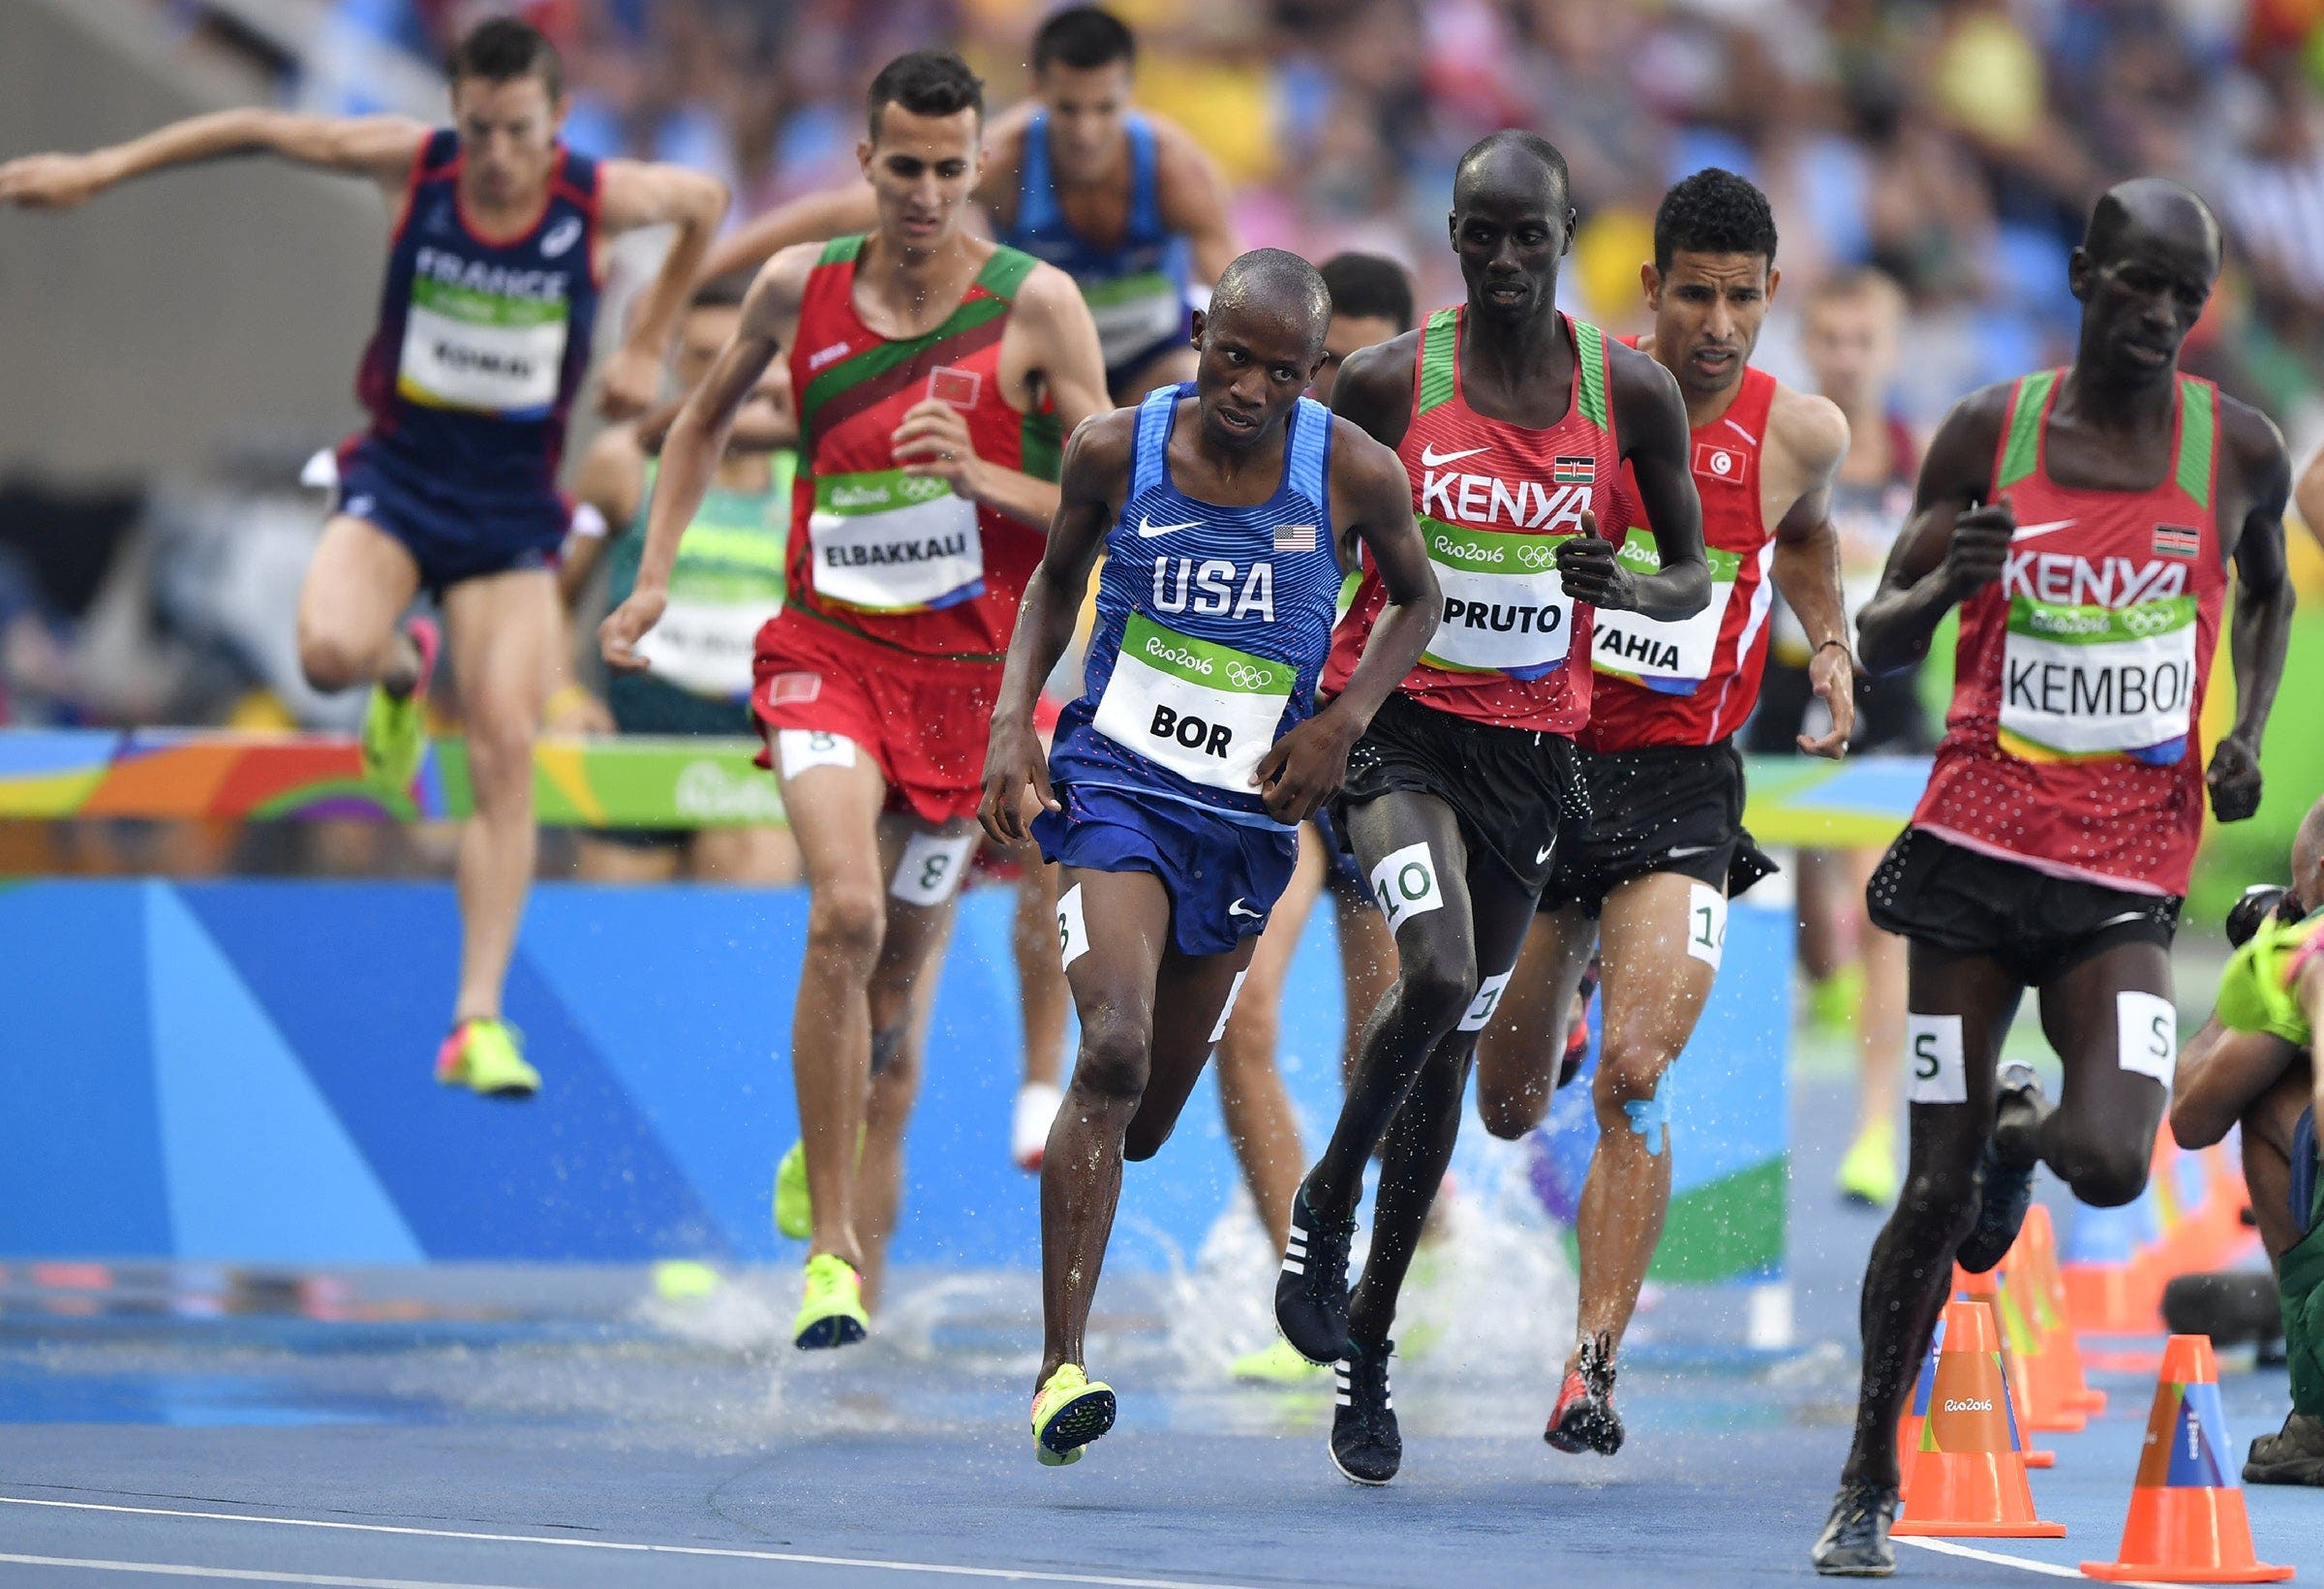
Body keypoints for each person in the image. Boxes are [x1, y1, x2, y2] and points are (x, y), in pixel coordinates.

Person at [0, 16, 728, 1096]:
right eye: (476, 130)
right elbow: (257, 125)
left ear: (558, 123)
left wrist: (644, 336)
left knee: (501, 746)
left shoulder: (595, 196)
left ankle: (476, 1017)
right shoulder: (413, 167)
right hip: (397, 482)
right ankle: (398, 671)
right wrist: (102, 167)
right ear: (454, 119)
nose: (495, 156)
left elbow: (704, 205)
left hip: (508, 518)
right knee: (328, 652)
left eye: (518, 132)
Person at [1812, 177, 2297, 1575]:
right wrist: (1941, 583)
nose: (2155, 314)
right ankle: (1864, 1480)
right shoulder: (1992, 432)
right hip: (1970, 860)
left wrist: (2246, 731)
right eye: (2133, 283)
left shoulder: (2235, 450)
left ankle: (2030, 1136)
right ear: (2082, 276)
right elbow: (1886, 636)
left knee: (2105, 1159)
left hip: (2121, 875)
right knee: (1927, 1191)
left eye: (2182, 296)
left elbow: (2262, 589)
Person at [599, 50, 1109, 1351]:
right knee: (842, 906)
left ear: (979, 164)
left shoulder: (1038, 308)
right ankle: (830, 1252)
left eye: (951, 167)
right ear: (866, 167)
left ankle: (828, 1143)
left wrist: (992, 479)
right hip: (826, 654)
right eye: (904, 167)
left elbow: (1122, 506)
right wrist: (652, 582)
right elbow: (699, 425)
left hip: (967, 692)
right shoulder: (798, 288)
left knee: (891, 1009)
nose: (927, 192)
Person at [1272, 131, 1709, 1487]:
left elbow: (1691, 574)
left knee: (1448, 1057)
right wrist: (1300, 713)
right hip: (1397, 735)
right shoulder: (1395, 382)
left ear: (1567, 235)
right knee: (1445, 964)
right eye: (1483, 234)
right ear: (1452, 237)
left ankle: (1370, 1348)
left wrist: (1627, 590)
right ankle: (1323, 1199)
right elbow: (1306, 554)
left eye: (1533, 236)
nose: (1508, 258)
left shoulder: (1629, 394)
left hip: (1534, 756)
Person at [979, 248, 1439, 1467]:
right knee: (1113, 1047)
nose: (1248, 387)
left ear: (1312, 374)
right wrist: (1010, 723)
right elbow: (1050, 584)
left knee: (1143, 1119)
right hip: (1115, 789)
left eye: (1279, 372)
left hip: (1243, 826)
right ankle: (1059, 1369)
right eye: (1231, 357)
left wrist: (1343, 720)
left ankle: (1103, 1156)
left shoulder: (1349, 468)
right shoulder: (1111, 449)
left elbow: (1418, 598)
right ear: (1200, 337)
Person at [1467, 168, 1854, 1456]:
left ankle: (1590, 1368)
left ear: (1773, 295)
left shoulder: (1801, 431)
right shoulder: (1579, 397)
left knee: (1637, 1074)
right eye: (1696, 293)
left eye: (1744, 297)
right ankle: (1558, 1009)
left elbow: (1801, 538)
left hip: (1686, 788)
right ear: (1652, 289)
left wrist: (1834, 645)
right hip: (1547, 766)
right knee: (1510, 1105)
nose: (1720, 323)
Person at [1212, 252, 1414, 1389]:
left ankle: (1414, 1257)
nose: (1341, 386)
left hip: (1394, 774)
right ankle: (1302, 1284)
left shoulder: (1412, 464)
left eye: (1365, 367)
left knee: (1377, 1057)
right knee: (1243, 1022)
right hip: (1273, 774)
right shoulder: (1227, 447)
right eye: (1324, 366)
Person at [697, 6, 1238, 405]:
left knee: (1194, 389)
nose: (1086, 132)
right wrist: (693, 279)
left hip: (1152, 358)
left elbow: (1240, 293)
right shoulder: (1002, 161)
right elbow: (839, 214)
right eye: (1068, 109)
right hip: (1043, 360)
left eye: (1104, 109)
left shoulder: (1175, 173)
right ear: (1037, 91)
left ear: (1131, 93)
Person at [1740, 267, 1924, 1209]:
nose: (1849, 358)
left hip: (1887, 715)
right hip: (1779, 709)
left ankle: (1872, 1130)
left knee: (1880, 910)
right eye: (1834, 340)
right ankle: (1827, 984)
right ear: (1810, 345)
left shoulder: (1921, 455)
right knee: (1821, 943)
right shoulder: (1782, 447)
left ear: (1890, 351)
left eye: (1866, 341)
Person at [556, 273, 800, 884]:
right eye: (699, 359)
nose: (723, 380)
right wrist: (559, 697)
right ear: (671, 363)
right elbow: (549, 599)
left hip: (754, 747)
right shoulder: (624, 464)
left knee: (742, 938)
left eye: (740, 359)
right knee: (617, 957)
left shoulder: (807, 472)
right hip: (637, 742)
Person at [2171, 795, 2324, 1488]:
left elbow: (2192, 1115)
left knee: (2258, 1092)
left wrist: (2266, 949)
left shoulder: (2303, 949)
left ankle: (2316, 1419)